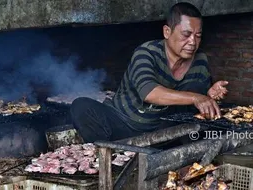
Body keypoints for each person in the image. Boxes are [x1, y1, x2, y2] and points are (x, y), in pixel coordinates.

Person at [70, 2, 228, 143]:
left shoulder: (200, 61)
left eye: (198, 36)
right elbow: (149, 93)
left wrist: (209, 95)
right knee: (81, 106)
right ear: (167, 32)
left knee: (195, 100)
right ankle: (109, 155)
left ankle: (165, 154)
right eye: (186, 35)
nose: (193, 42)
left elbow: (196, 103)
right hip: (123, 123)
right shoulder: (147, 52)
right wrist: (196, 97)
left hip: (162, 130)